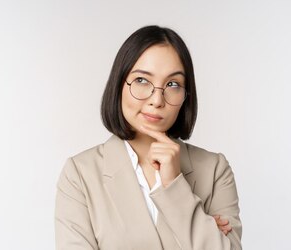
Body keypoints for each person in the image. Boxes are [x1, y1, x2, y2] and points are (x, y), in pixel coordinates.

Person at [55, 25, 242, 250]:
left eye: (173, 84)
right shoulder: (80, 173)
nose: (157, 99)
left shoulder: (214, 170)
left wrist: (174, 185)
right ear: (119, 84)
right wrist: (204, 230)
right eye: (142, 80)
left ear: (186, 95)